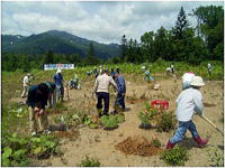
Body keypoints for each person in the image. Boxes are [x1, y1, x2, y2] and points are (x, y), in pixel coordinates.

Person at [166, 76, 208, 149]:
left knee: (192, 128)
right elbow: (199, 106)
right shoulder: (197, 93)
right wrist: (200, 112)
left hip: (180, 115)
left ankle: (200, 142)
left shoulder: (185, 91)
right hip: (185, 117)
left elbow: (177, 101)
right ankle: (169, 147)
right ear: (200, 85)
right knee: (179, 135)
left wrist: (189, 108)